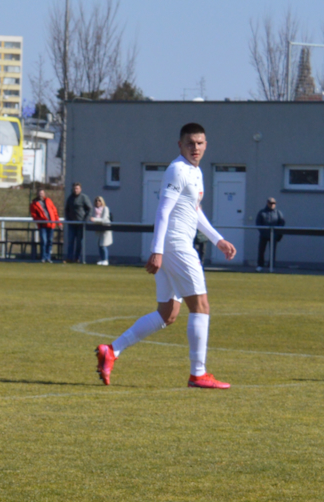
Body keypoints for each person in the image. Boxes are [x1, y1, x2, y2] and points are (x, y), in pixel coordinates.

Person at [96, 122, 237, 390]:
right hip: (175, 245)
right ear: (180, 145)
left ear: (206, 145)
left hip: (173, 246)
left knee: (167, 314)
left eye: (200, 143)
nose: (195, 148)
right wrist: (158, 251)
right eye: (190, 143)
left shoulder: (195, 171)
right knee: (201, 305)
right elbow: (163, 210)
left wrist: (217, 239)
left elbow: (194, 210)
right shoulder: (177, 169)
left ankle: (111, 351)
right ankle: (198, 374)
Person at [29, 188, 60, 262]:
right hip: (42, 225)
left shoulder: (48, 201)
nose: (41, 195)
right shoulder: (34, 204)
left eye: (42, 193)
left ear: (44, 194)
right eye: (40, 193)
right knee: (44, 241)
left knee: (50, 241)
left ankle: (48, 257)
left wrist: (59, 223)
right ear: (37, 194)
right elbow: (34, 216)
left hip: (51, 225)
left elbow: (54, 212)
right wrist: (42, 220)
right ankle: (43, 257)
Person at [64, 182, 92, 263]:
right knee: (70, 241)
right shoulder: (70, 198)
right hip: (72, 224)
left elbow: (90, 209)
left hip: (80, 224)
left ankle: (77, 258)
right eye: (74, 188)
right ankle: (69, 258)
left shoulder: (84, 198)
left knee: (79, 242)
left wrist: (85, 220)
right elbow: (67, 209)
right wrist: (68, 219)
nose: (75, 190)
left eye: (77, 188)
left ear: (80, 189)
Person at [256, 197, 285, 271]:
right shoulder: (262, 212)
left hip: (274, 235)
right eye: (271, 203)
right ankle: (260, 265)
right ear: (267, 203)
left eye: (274, 203)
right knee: (261, 250)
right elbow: (258, 223)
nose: (272, 205)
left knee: (272, 251)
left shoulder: (278, 213)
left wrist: (278, 234)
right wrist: (263, 231)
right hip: (263, 235)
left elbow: (282, 223)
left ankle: (271, 266)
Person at [89, 195, 113, 265]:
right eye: (96, 201)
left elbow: (104, 219)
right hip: (99, 229)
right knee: (99, 245)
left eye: (99, 200)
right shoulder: (95, 210)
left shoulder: (105, 208)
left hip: (105, 228)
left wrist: (94, 219)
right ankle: (102, 259)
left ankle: (105, 260)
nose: (97, 202)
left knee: (103, 245)